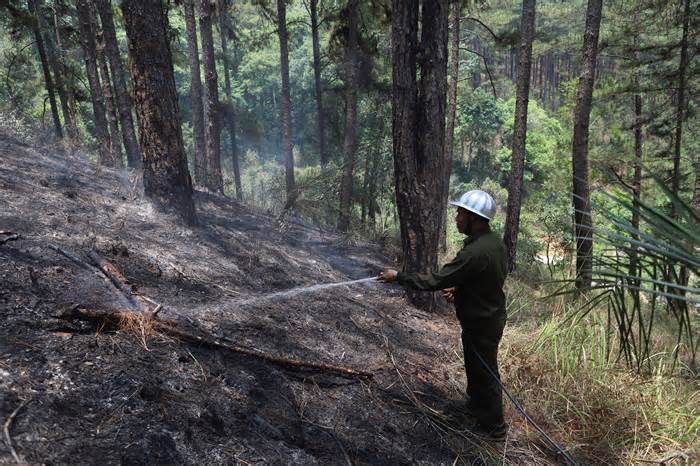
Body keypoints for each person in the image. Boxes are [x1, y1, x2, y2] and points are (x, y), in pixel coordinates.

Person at [378, 190, 508, 440]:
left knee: (485, 372)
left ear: (474, 218)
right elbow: (486, 278)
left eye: (460, 213)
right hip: (485, 317)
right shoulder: (492, 243)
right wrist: (461, 289)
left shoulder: (476, 251)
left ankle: (494, 428)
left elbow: (436, 280)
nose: (457, 218)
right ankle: (476, 409)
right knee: (476, 367)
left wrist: (399, 277)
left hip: (483, 322)